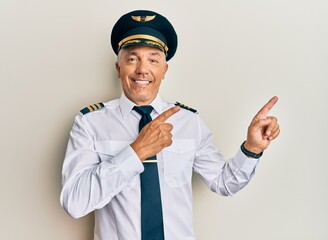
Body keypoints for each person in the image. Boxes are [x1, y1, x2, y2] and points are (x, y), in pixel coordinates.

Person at [60, 9, 280, 240]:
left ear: (164, 70)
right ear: (118, 68)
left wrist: (252, 149)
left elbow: (225, 183)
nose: (142, 69)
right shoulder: (89, 123)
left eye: (153, 60)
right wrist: (137, 152)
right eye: (132, 59)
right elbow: (74, 203)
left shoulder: (188, 121)